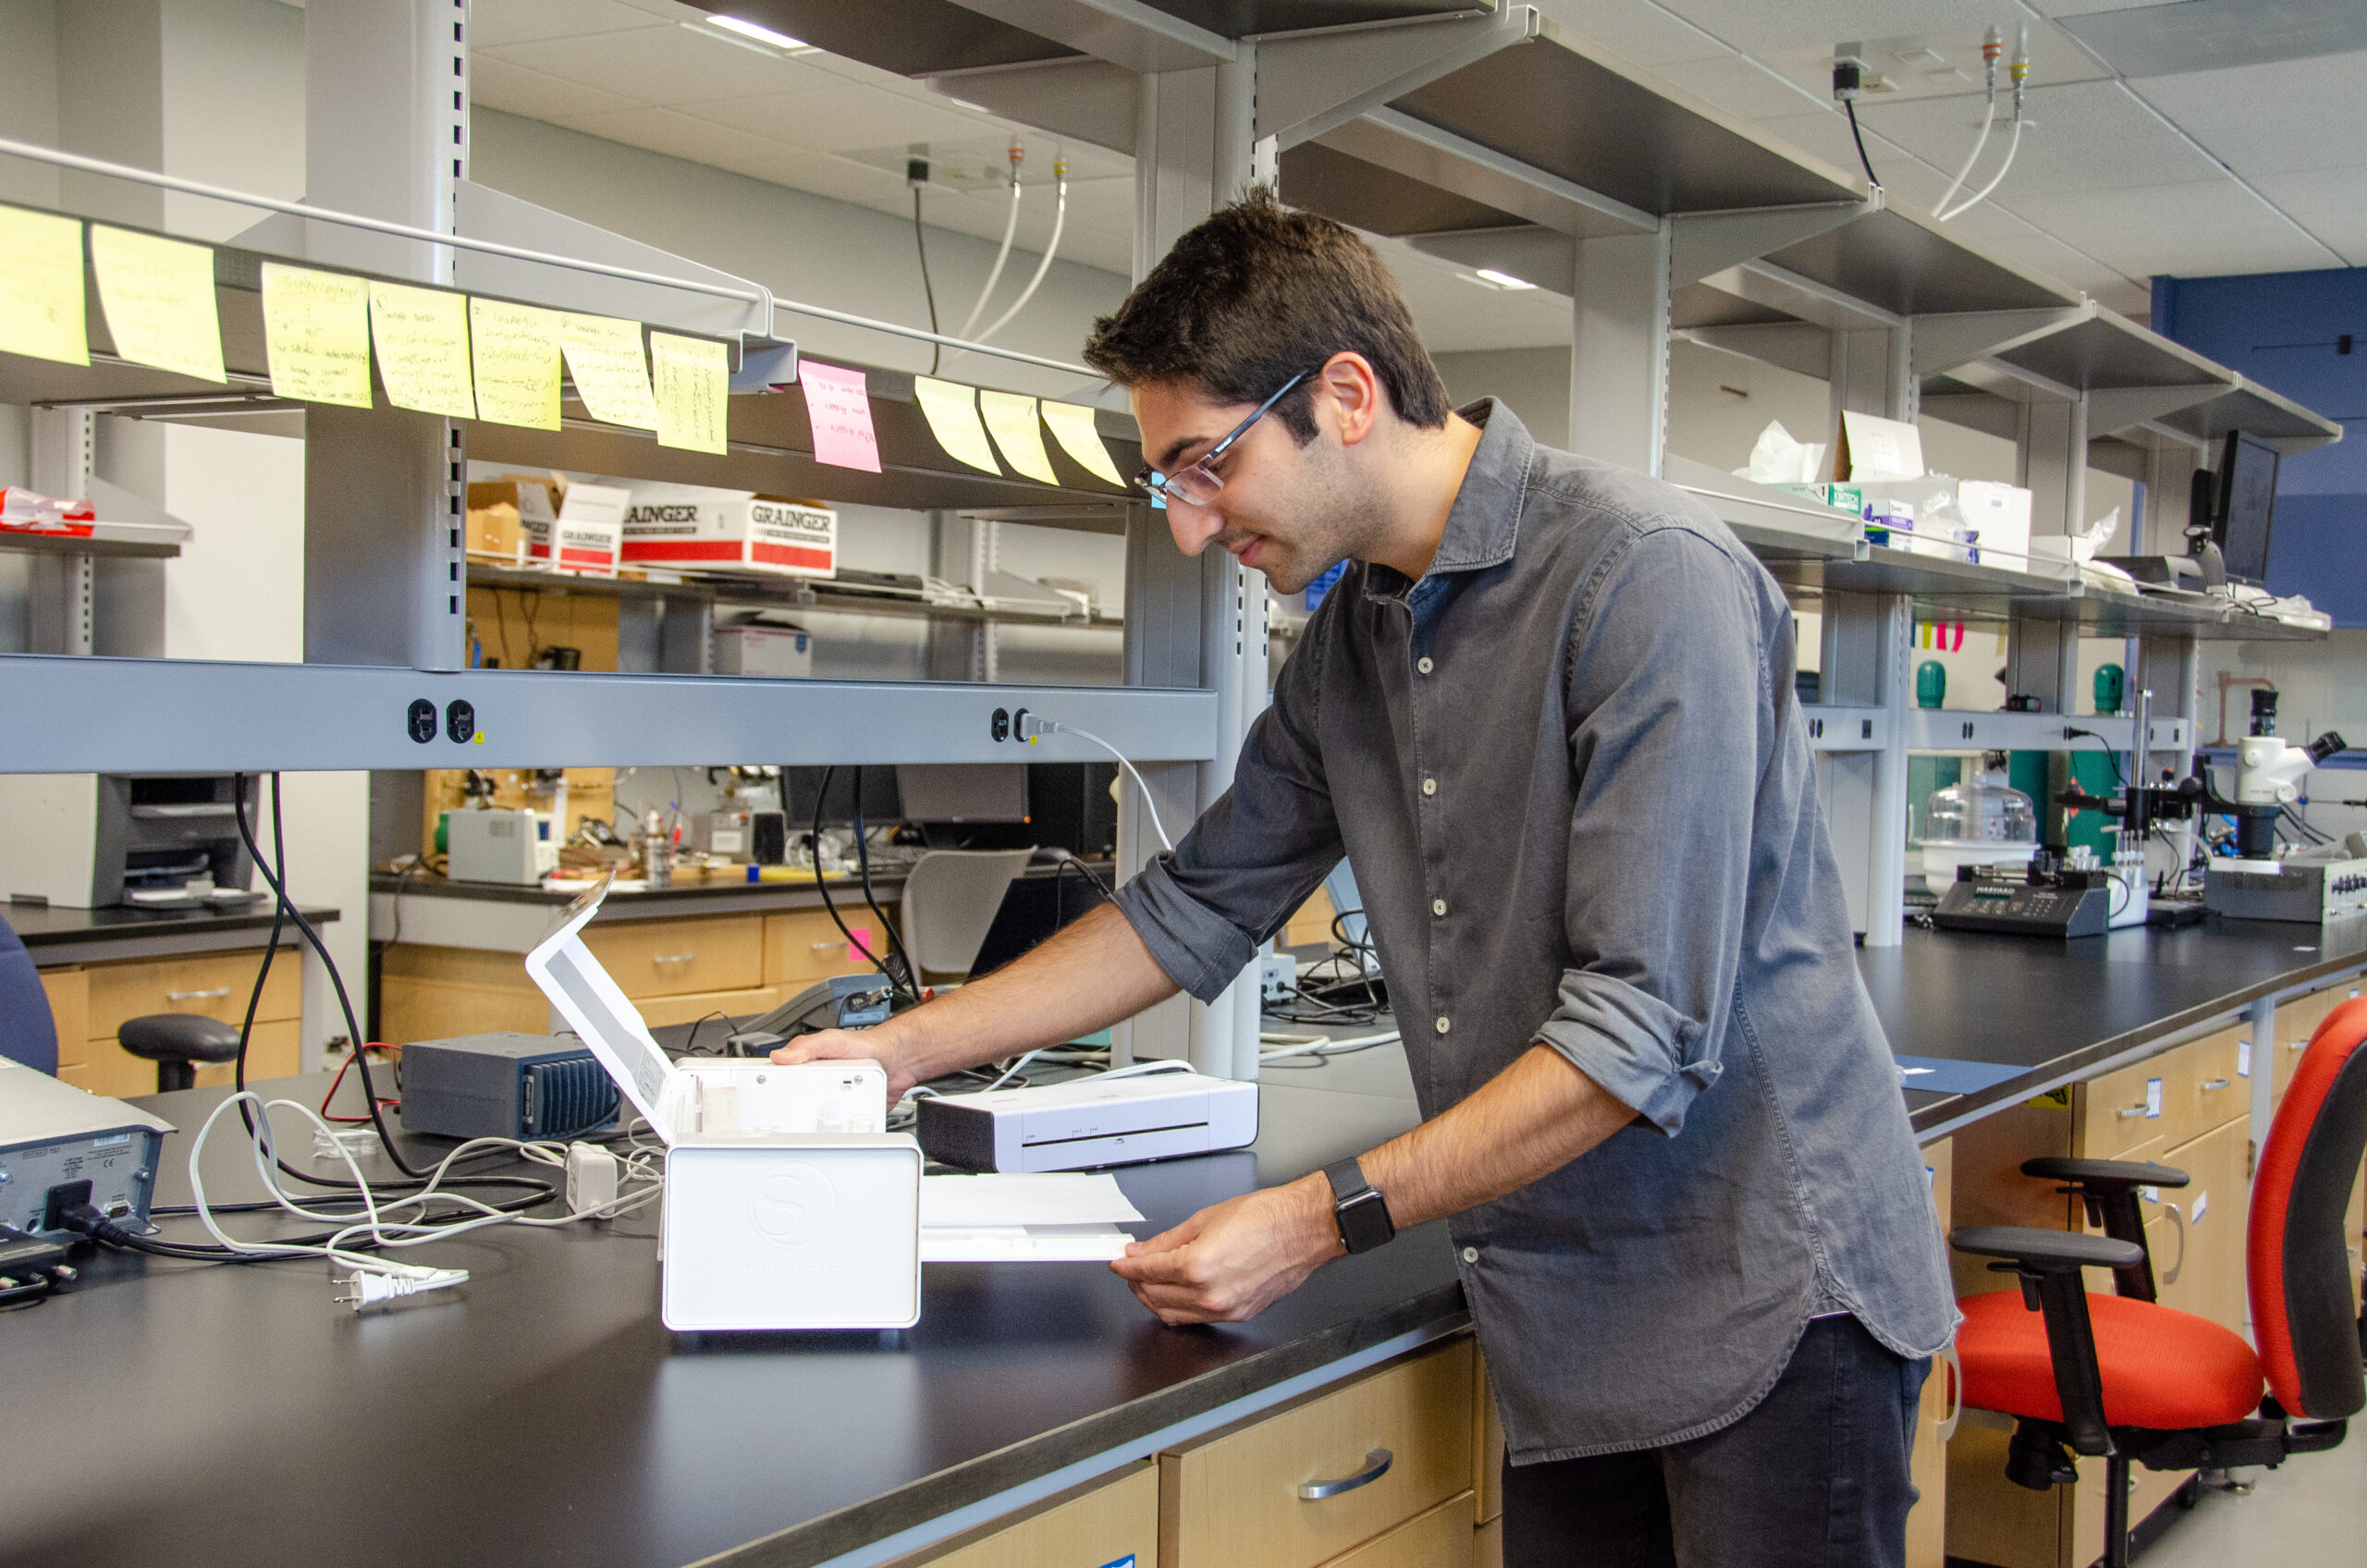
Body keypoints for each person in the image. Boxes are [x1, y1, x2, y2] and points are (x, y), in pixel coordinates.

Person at [776, 189, 1957, 1566]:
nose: (1190, 525)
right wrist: (894, 1056)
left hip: (1767, 1296)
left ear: (1344, 394)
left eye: (1207, 464)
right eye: (1169, 480)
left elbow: (1641, 1031)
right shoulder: (1355, 644)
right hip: (1567, 1310)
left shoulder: (1646, 581)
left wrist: (1314, 1221)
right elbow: (1195, 905)